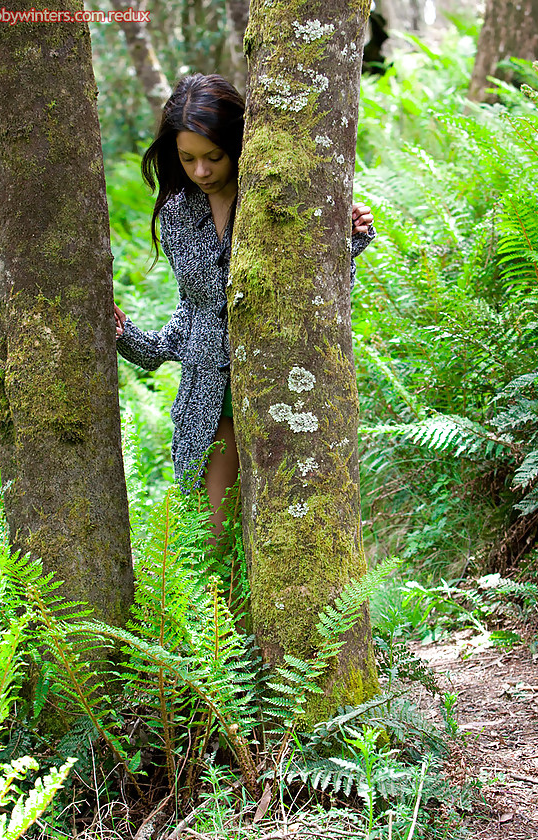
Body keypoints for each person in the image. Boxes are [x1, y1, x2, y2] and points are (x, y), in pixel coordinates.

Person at [114, 73, 375, 536]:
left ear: (238, 142)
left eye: (213, 156)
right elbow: (196, 314)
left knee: (291, 536)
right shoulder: (178, 215)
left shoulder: (279, 200)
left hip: (287, 389)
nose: (201, 171)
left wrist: (346, 243)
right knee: (214, 540)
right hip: (210, 402)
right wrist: (129, 338)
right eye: (187, 158)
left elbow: (315, 297)